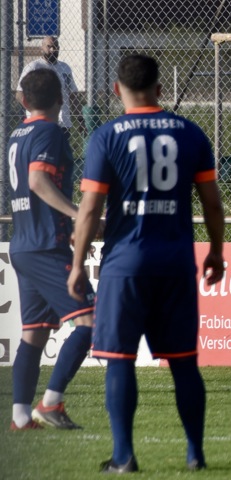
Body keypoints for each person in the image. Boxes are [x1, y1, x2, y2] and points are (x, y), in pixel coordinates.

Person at [67, 54, 225, 473]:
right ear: (160, 88)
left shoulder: (106, 136)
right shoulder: (191, 133)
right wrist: (216, 250)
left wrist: (78, 262)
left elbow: (89, 209)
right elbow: (212, 203)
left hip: (125, 264)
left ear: (117, 90)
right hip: (175, 262)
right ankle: (195, 453)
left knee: (119, 359)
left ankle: (124, 456)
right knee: (184, 361)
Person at [7, 68, 95, 431]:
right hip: (46, 243)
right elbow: (38, 180)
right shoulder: (50, 132)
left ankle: (21, 416)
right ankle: (52, 402)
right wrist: (78, 215)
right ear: (62, 99)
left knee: (35, 331)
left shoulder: (17, 133)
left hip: (23, 243)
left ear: (23, 101)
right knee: (92, 320)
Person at [16, 36, 81, 136]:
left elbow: (73, 95)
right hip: (39, 123)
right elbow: (19, 94)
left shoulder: (65, 68)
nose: (52, 50)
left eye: (55, 47)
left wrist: (80, 118)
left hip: (63, 124)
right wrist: (35, 111)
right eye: (49, 46)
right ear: (41, 48)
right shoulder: (33, 67)